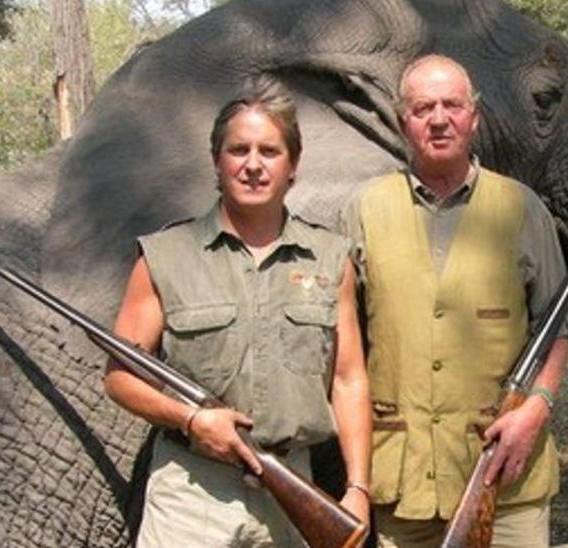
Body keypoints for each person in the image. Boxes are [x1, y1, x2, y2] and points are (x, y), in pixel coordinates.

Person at [104, 83, 371, 547]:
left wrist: (358, 488)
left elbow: (349, 381)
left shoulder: (331, 257)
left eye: (269, 151)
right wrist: (190, 420)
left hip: (295, 489)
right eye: (238, 150)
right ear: (217, 161)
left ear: (293, 166)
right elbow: (119, 378)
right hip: (192, 493)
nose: (252, 165)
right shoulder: (164, 256)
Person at [340, 54, 568, 548]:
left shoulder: (522, 208)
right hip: (403, 481)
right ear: (404, 121)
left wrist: (537, 407)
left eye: (453, 105)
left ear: (475, 116)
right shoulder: (363, 209)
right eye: (424, 108)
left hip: (506, 479)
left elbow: (559, 327)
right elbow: (343, 348)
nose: (439, 119)